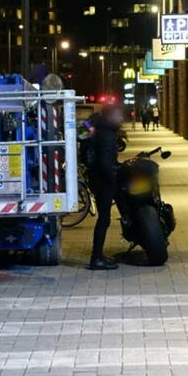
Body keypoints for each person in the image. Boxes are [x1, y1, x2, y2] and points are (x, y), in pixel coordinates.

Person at [88, 104, 124, 270]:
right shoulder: (107, 134)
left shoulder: (100, 129)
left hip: (97, 178)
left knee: (104, 219)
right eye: (118, 115)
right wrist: (113, 178)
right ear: (111, 117)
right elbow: (105, 161)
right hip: (103, 181)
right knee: (104, 219)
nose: (121, 118)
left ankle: (98, 255)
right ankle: (96, 258)